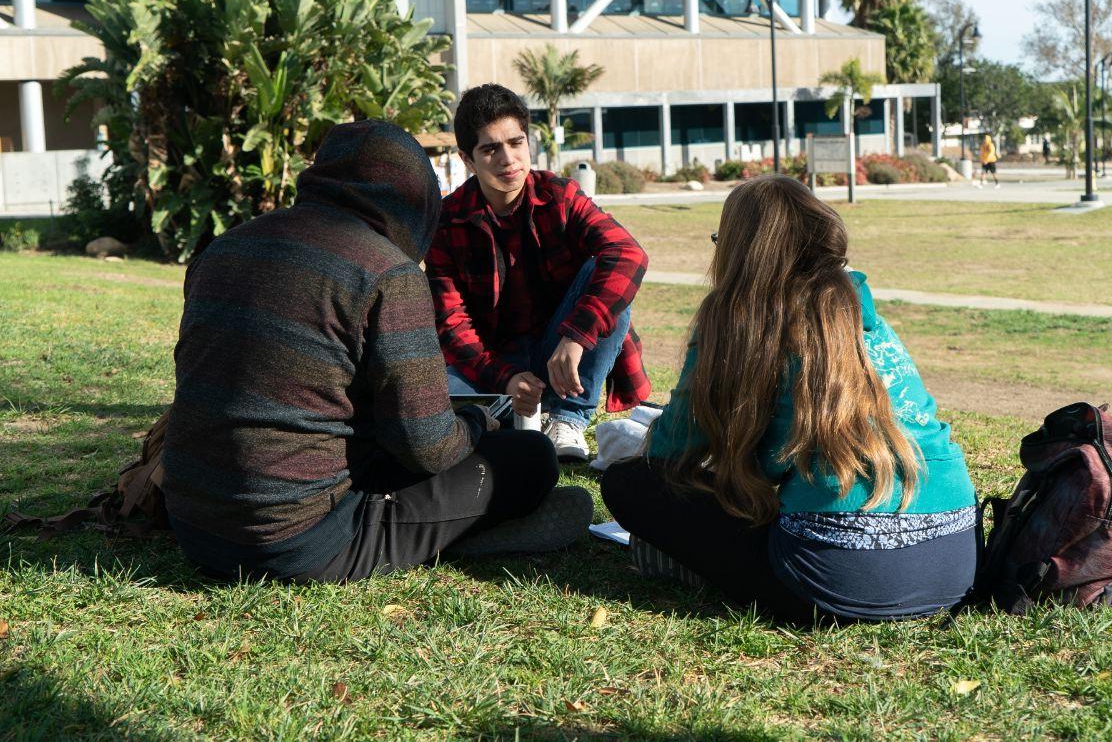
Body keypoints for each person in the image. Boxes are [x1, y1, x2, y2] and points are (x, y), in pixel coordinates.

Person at [163, 119, 589, 583]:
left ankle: (443, 529)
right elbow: (429, 449)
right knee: (530, 458)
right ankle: (455, 537)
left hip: (190, 520)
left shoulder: (222, 248)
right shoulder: (386, 271)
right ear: (413, 196)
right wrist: (477, 421)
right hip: (295, 539)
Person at [601, 174, 977, 625]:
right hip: (957, 562)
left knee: (629, 485)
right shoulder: (864, 315)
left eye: (721, 239)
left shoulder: (735, 319)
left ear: (740, 249)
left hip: (835, 582)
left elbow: (671, 448)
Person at [426, 84, 650, 462]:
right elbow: (451, 325)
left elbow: (628, 254)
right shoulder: (447, 222)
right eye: (490, 148)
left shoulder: (560, 196)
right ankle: (506, 412)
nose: (508, 159)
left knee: (608, 272)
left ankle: (568, 418)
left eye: (516, 143)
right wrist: (506, 378)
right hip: (493, 362)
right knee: (439, 398)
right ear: (467, 158)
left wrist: (577, 336)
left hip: (564, 352)